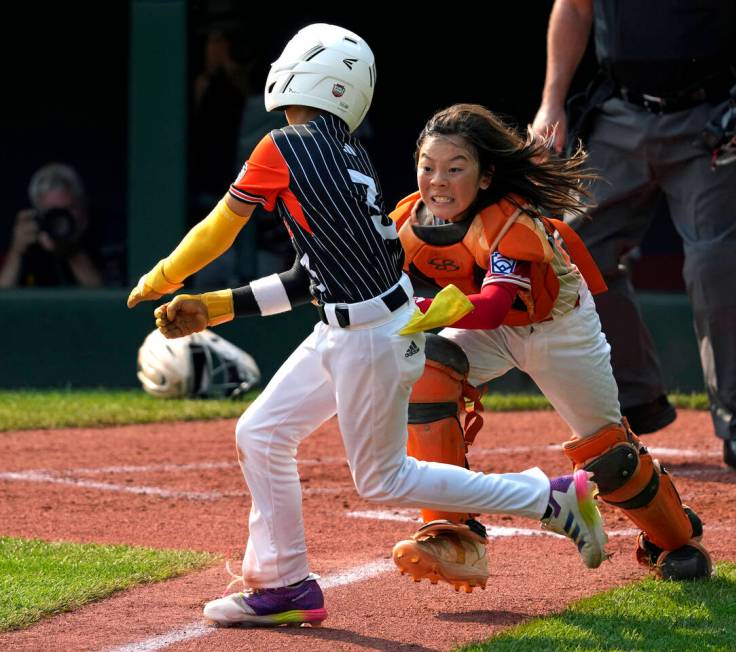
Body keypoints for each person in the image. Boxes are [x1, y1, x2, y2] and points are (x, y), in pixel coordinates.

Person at [128, 24, 608, 628]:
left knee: (382, 479)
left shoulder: (285, 145)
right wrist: (220, 305)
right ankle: (285, 586)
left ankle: (550, 498)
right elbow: (312, 277)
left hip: (372, 337)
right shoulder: (345, 152)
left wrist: (167, 275)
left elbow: (220, 229)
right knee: (261, 433)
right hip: (350, 328)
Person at [384, 104, 710, 589]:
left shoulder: (510, 221)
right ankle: (452, 532)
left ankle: (675, 538)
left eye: (456, 168)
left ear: (487, 175)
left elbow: (493, 306)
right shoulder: (409, 219)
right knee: (423, 373)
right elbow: (371, 280)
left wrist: (420, 307)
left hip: (557, 328)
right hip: (485, 327)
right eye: (427, 167)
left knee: (610, 459)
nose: (438, 181)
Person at [531, 0, 736, 475]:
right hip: (620, 111)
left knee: (715, 264)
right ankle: (638, 397)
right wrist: (552, 100)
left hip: (708, 116)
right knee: (571, 255)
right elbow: (573, 8)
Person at [0, 163, 103, 288]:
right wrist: (17, 251)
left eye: (67, 210)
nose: (60, 220)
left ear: (83, 207)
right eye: (51, 213)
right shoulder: (31, 246)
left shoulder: (104, 238)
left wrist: (70, 251)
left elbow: (107, 299)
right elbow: (4, 298)